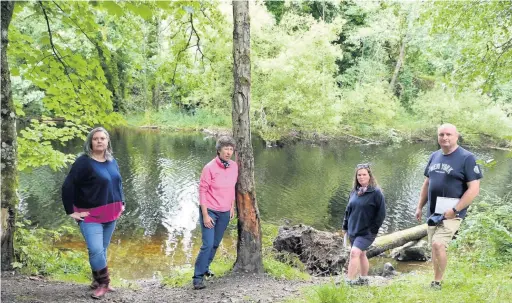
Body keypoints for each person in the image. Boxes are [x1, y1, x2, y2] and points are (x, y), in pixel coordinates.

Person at [415, 123, 482, 290]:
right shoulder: (434, 156)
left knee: (438, 244)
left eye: (448, 134)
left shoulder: (467, 158)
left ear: (456, 136)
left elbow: (474, 189)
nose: (445, 138)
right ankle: (435, 279)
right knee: (434, 246)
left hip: (453, 213)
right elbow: (427, 183)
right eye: (441, 135)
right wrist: (419, 206)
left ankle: (437, 282)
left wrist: (455, 210)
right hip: (434, 212)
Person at [62, 127, 124, 299]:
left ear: (107, 141)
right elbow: (68, 186)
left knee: (101, 250)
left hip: (111, 214)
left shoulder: (112, 161)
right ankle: (104, 283)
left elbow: (118, 183)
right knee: (96, 249)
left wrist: (122, 202)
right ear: (90, 141)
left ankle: (97, 281)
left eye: (103, 138)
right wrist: (71, 211)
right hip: (90, 215)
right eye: (96, 138)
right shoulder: (84, 162)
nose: (99, 141)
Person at [192, 136, 238, 290]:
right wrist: (205, 215)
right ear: (219, 150)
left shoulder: (234, 166)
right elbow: (202, 191)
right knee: (207, 244)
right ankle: (197, 278)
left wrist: (232, 207)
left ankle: (205, 268)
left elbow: (232, 188)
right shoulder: (209, 168)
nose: (229, 152)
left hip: (225, 211)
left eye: (231, 149)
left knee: (216, 244)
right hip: (210, 211)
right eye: (226, 149)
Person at [342, 163, 386, 285]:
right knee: (361, 254)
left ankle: (349, 281)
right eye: (359, 175)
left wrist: (372, 229)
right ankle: (364, 279)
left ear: (369, 176)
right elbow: (348, 211)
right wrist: (345, 227)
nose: (361, 177)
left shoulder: (376, 193)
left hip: (367, 232)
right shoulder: (354, 192)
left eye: (364, 174)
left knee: (354, 252)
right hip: (353, 230)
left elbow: (381, 214)